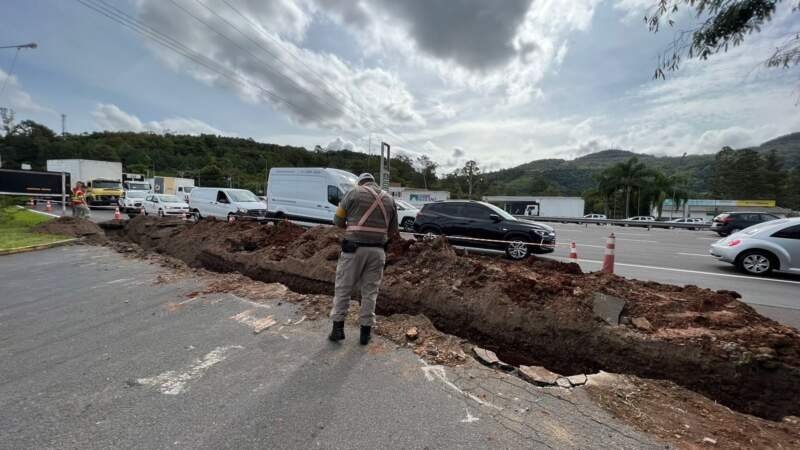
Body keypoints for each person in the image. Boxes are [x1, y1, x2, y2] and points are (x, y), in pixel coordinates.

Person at [329, 173, 398, 345]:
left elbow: (337, 220)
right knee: (370, 292)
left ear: (360, 183)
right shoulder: (389, 199)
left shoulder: (353, 193)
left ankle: (338, 329)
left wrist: (353, 227)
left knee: (343, 289)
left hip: (353, 250)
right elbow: (393, 231)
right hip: (378, 252)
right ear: (374, 183)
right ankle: (365, 333)